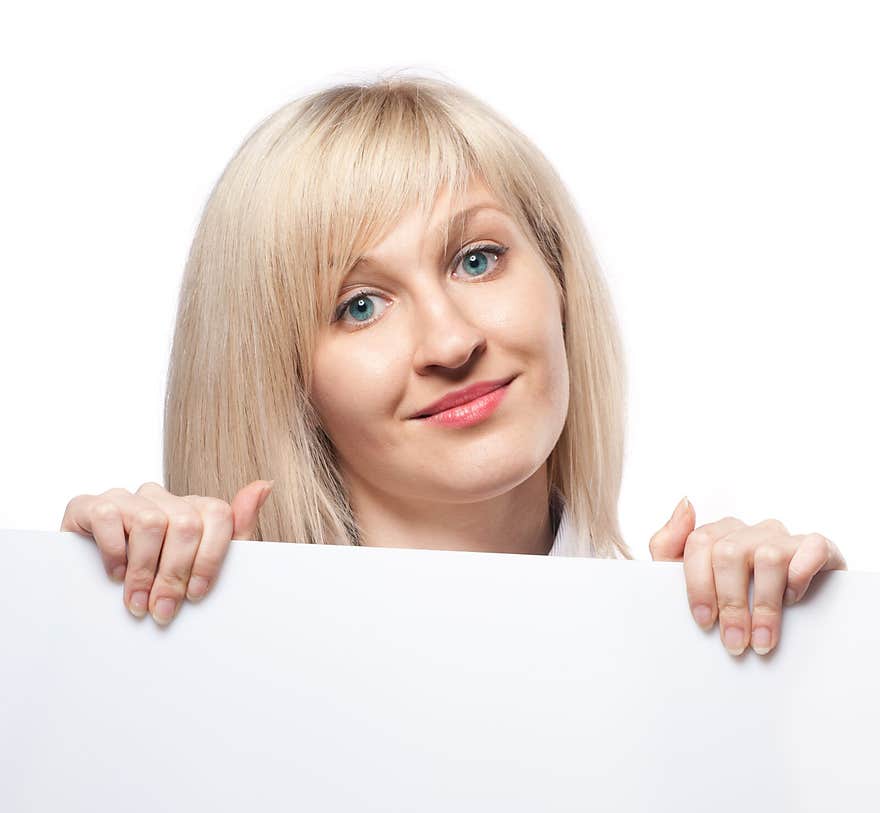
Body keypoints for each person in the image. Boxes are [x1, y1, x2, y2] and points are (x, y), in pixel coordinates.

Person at [60, 74, 846, 657]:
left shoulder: (706, 637)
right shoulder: (179, 650)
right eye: (358, 304)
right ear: (282, 382)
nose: (449, 342)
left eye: (477, 258)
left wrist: (790, 667)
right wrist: (86, 617)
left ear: (560, 281)